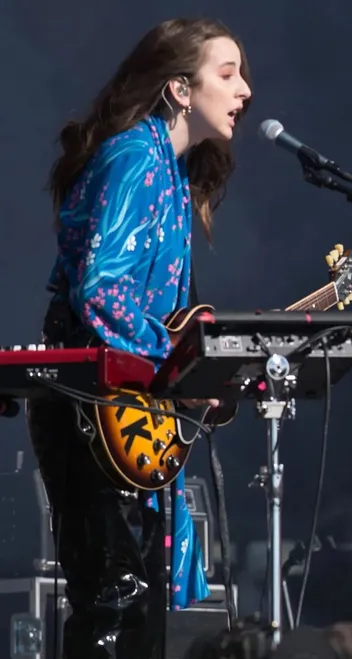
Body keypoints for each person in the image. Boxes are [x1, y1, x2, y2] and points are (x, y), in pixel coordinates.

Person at [29, 17, 252, 659]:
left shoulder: (173, 177)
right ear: (180, 89)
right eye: (227, 73)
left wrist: (192, 375)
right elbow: (101, 288)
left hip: (123, 401)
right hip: (91, 400)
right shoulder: (133, 158)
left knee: (138, 602)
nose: (245, 91)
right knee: (114, 597)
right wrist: (177, 366)